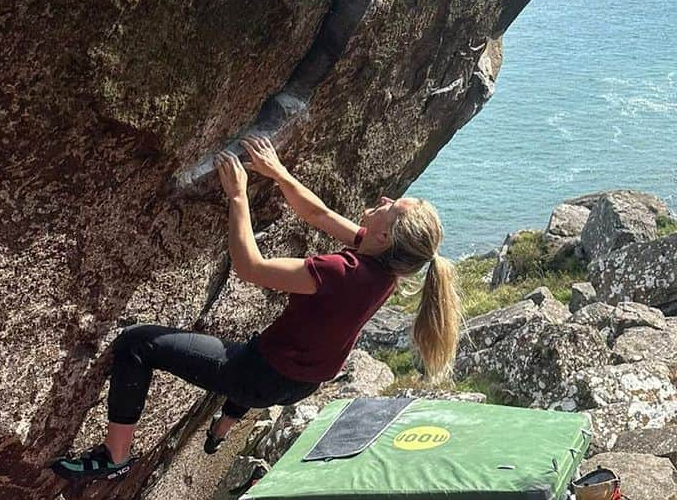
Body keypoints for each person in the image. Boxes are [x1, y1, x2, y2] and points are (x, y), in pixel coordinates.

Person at [53, 136, 460, 481]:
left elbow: (251, 266)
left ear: (385, 234)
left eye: (392, 206)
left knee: (136, 344)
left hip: (261, 373)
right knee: (265, 351)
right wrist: (279, 173)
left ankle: (115, 458)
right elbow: (318, 214)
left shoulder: (342, 272)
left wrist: (238, 196)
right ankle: (224, 426)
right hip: (302, 380)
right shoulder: (387, 269)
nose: (386, 199)